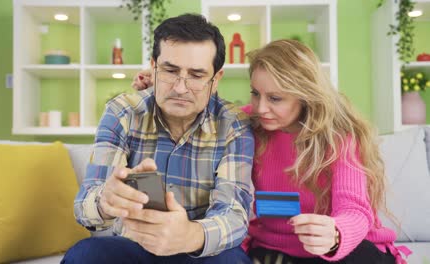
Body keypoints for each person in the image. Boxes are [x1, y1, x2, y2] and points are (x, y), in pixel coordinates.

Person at [132, 39, 411, 264]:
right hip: (273, 248)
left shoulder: (339, 136)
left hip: (341, 250)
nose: (261, 107)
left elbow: (354, 209)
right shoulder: (250, 124)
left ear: (306, 96)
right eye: (256, 93)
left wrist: (336, 235)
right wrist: (165, 89)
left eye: (275, 98)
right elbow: (205, 114)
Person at [61, 14, 255, 264]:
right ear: (154, 66)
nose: (180, 88)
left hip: (200, 249)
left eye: (196, 75)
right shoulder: (123, 112)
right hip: (134, 246)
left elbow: (234, 214)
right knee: (84, 255)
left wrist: (188, 234)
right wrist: (105, 202)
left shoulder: (233, 124)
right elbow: (84, 208)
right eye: (170, 71)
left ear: (215, 80)